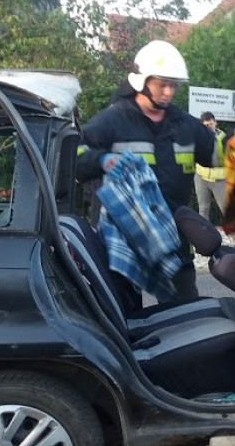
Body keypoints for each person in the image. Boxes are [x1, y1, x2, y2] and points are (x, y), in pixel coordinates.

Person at [77, 39, 215, 302]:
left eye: (173, 85)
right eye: (161, 83)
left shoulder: (185, 125)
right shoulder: (112, 120)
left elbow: (217, 154)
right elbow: (74, 156)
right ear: (142, 80)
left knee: (186, 313)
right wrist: (102, 160)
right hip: (124, 237)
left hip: (173, 238)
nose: (168, 92)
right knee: (123, 315)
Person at [194, 111, 228, 221]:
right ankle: (204, 237)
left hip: (220, 178)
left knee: (226, 210)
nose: (208, 127)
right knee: (203, 209)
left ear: (215, 123)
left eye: (211, 124)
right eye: (206, 125)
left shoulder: (224, 139)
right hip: (201, 177)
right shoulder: (198, 138)